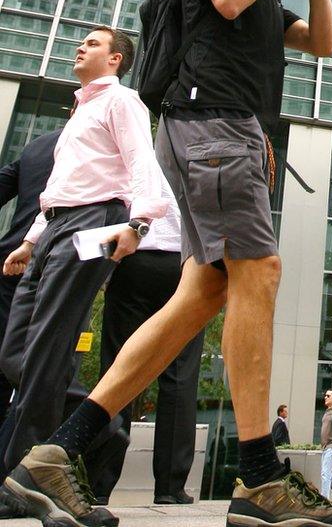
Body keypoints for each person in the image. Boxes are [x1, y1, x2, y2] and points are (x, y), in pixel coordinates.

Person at [1, 0, 332, 527]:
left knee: (198, 296)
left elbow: (324, 42)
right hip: (214, 127)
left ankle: (55, 454)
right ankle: (258, 477)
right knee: (260, 275)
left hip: (224, 133)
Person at [0, 27, 168, 492]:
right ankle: (102, 429)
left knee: (48, 349)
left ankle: (24, 481)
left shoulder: (122, 101)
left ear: (115, 59)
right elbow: (61, 186)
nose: (80, 47)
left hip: (94, 224)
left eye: (92, 44)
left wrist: (139, 225)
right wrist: (30, 241)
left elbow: (142, 164)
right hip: (53, 227)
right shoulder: (81, 111)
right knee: (17, 351)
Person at [90, 184, 206, 506]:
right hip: (185, 267)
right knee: (181, 374)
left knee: (117, 368)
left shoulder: (139, 159)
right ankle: (170, 486)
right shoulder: (198, 161)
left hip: (136, 261)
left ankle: (98, 481)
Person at [0, 129, 61, 426]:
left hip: (9, 264)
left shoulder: (38, 145)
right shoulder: (103, 143)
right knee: (44, 368)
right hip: (54, 268)